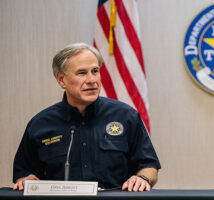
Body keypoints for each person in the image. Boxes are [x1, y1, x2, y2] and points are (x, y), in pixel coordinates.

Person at [13, 43, 161, 192]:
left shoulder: (126, 116)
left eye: (95, 71)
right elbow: (23, 173)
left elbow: (149, 166)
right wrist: (25, 179)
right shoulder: (40, 124)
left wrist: (142, 178)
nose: (92, 80)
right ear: (61, 79)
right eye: (82, 73)